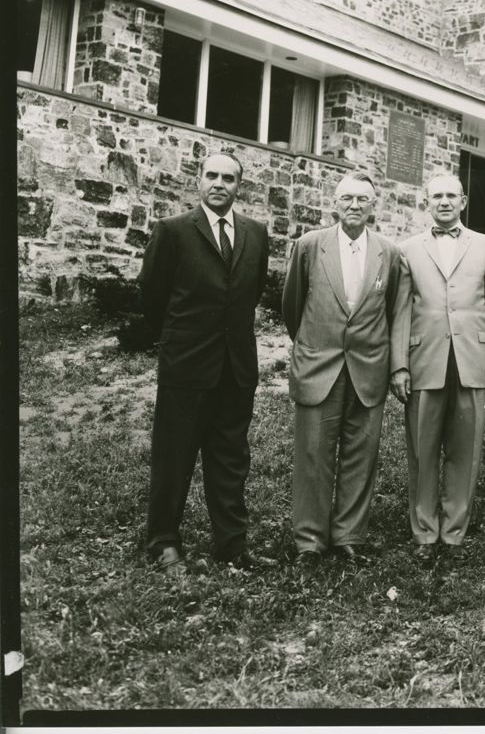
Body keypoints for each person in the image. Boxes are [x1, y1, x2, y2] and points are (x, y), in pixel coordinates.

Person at [140, 152, 270, 576]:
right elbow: (153, 297)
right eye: (211, 175)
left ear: (239, 186)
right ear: (198, 181)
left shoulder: (256, 234)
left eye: (228, 178)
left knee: (231, 458)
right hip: (186, 366)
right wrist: (184, 340)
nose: (219, 183)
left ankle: (231, 544)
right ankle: (163, 541)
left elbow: (250, 295)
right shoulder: (174, 231)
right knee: (174, 456)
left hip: (235, 369)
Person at [282, 172, 401, 568]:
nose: (354, 205)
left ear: (373, 206)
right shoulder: (310, 246)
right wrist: (314, 344)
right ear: (334, 203)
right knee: (314, 455)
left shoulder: (390, 252)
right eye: (347, 198)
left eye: (362, 199)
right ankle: (310, 541)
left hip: (368, 368)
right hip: (320, 366)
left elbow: (394, 308)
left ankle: (349, 534)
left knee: (360, 454)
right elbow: (292, 305)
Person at [390, 174, 485, 566]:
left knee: (465, 449)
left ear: (464, 200)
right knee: (422, 451)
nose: (444, 201)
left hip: (473, 361)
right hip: (424, 362)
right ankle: (424, 531)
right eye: (436, 195)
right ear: (427, 202)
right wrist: (399, 366)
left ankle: (454, 531)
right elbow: (401, 312)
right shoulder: (407, 250)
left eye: (451, 195)